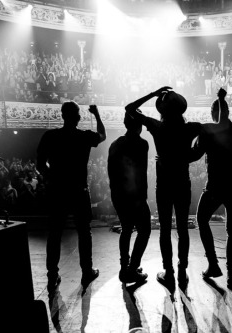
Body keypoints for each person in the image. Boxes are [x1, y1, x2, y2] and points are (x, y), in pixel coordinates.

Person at [125, 86, 201, 288]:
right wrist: (192, 154)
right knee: (183, 229)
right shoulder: (191, 128)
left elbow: (130, 108)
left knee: (165, 229)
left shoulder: (157, 127)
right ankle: (182, 270)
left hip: (164, 185)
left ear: (162, 110)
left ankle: (168, 271)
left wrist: (152, 93)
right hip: (183, 183)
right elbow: (209, 135)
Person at [189, 88, 232, 289]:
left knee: (201, 219)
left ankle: (213, 264)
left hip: (216, 187)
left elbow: (193, 155)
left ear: (213, 113)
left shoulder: (208, 131)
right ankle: (231, 274)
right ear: (228, 112)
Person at [37, 101, 106, 291]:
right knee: (84, 232)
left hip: (57, 191)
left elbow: (40, 165)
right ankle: (87, 271)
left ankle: (52, 275)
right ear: (78, 117)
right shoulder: (83, 137)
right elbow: (102, 135)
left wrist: (53, 177)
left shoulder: (50, 136)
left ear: (62, 116)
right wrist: (97, 115)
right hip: (79, 191)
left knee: (54, 233)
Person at [108, 110, 151, 284]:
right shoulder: (142, 144)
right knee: (145, 230)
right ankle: (132, 269)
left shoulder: (115, 144)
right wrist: (142, 198)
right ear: (140, 125)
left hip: (118, 194)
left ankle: (124, 267)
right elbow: (140, 173)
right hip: (136, 196)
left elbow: (111, 173)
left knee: (126, 229)